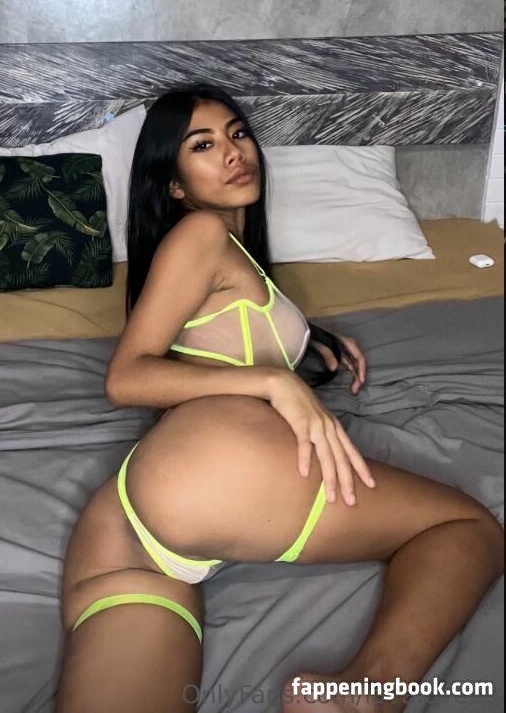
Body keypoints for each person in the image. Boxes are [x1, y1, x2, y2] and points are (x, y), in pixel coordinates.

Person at [56, 84, 504, 713]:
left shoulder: (228, 250)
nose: (233, 152)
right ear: (175, 184)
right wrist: (273, 381)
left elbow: (213, 337)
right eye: (202, 145)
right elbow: (126, 378)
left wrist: (307, 341)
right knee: (464, 527)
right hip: (204, 476)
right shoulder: (200, 234)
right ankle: (365, 694)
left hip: (127, 527)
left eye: (238, 133)